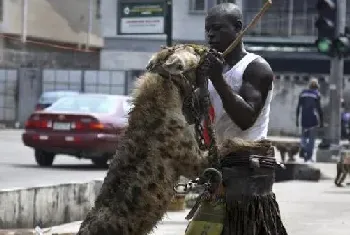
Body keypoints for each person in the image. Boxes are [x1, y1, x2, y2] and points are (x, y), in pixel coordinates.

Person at [185, 3, 288, 235]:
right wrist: (200, 84)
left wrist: (218, 80)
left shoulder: (256, 67)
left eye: (218, 29)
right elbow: (194, 117)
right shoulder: (210, 69)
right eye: (208, 29)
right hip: (218, 165)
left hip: (248, 169)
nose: (210, 35)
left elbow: (246, 119)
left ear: (239, 28)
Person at [296, 78, 324, 163]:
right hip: (313, 119)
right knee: (311, 139)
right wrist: (321, 121)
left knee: (304, 136)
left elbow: (298, 107)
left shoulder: (303, 93)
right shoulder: (317, 94)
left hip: (304, 118)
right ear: (317, 87)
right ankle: (308, 157)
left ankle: (303, 147)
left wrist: (297, 119)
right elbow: (319, 109)